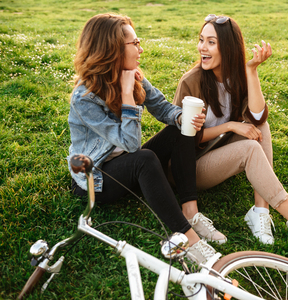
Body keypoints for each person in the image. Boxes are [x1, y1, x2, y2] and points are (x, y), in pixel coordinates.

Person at [172, 14, 288, 246]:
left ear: (229, 48)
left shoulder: (237, 77)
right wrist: (231, 125)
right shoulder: (191, 82)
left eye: (211, 42)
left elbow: (258, 116)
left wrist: (251, 71)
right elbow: (181, 139)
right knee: (249, 148)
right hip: (191, 168)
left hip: (218, 150)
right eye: (201, 40)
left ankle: (260, 212)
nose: (203, 47)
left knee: (261, 126)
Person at [67, 13, 215, 264]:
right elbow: (131, 145)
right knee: (143, 158)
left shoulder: (132, 74)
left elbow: (163, 108)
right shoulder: (85, 98)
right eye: (134, 44)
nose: (141, 49)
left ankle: (190, 211)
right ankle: (190, 240)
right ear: (111, 49)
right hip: (99, 179)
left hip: (127, 164)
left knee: (180, 130)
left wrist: (182, 118)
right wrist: (126, 95)